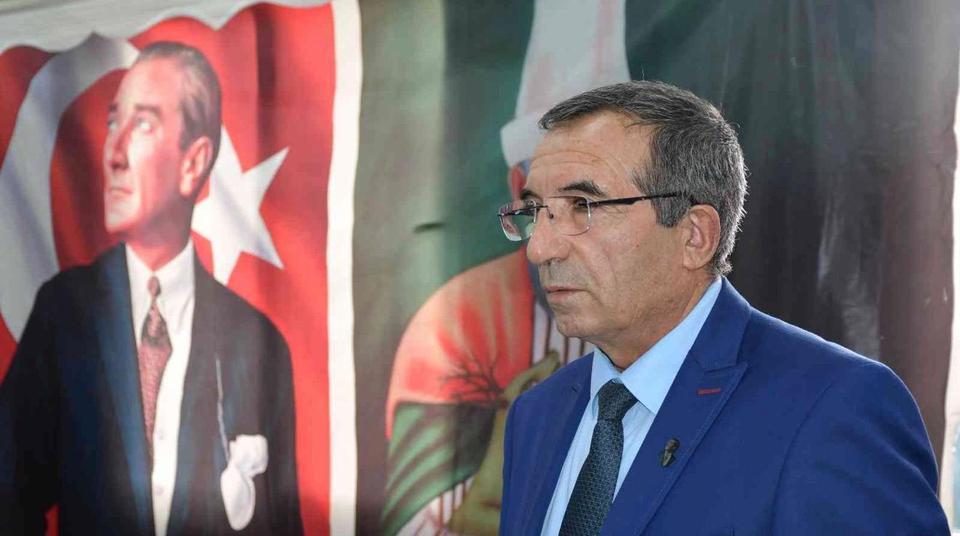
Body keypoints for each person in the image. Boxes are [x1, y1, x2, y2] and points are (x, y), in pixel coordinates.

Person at [498, 80, 948, 534]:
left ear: (695, 236)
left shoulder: (832, 408)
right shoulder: (537, 415)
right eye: (535, 211)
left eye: (582, 206)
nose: (540, 248)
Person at [0, 41, 302, 535]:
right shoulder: (65, 316)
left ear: (193, 163)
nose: (113, 153)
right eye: (113, 122)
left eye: (142, 124)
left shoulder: (258, 344)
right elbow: (7, 495)